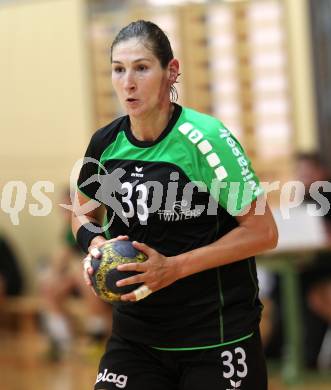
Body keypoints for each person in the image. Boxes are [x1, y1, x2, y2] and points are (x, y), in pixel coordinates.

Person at [72, 20, 278, 390]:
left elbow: (263, 232)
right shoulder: (104, 143)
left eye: (142, 68)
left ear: (172, 72)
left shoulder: (207, 140)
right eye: (118, 69)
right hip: (136, 339)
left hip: (215, 338)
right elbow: (82, 213)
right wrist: (94, 244)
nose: (128, 82)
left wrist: (174, 268)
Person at [39, 189, 112, 360]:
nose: (66, 214)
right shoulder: (71, 227)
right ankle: (62, 340)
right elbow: (61, 257)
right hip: (83, 280)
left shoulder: (99, 220)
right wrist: (53, 277)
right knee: (51, 288)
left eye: (68, 209)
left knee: (81, 274)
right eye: (63, 210)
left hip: (105, 276)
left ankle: (98, 336)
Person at [296, 153, 331, 369]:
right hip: (311, 270)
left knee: (317, 298)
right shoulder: (303, 200)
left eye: (309, 172)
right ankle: (307, 362)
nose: (304, 177)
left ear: (322, 172)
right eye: (300, 173)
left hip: (322, 270)